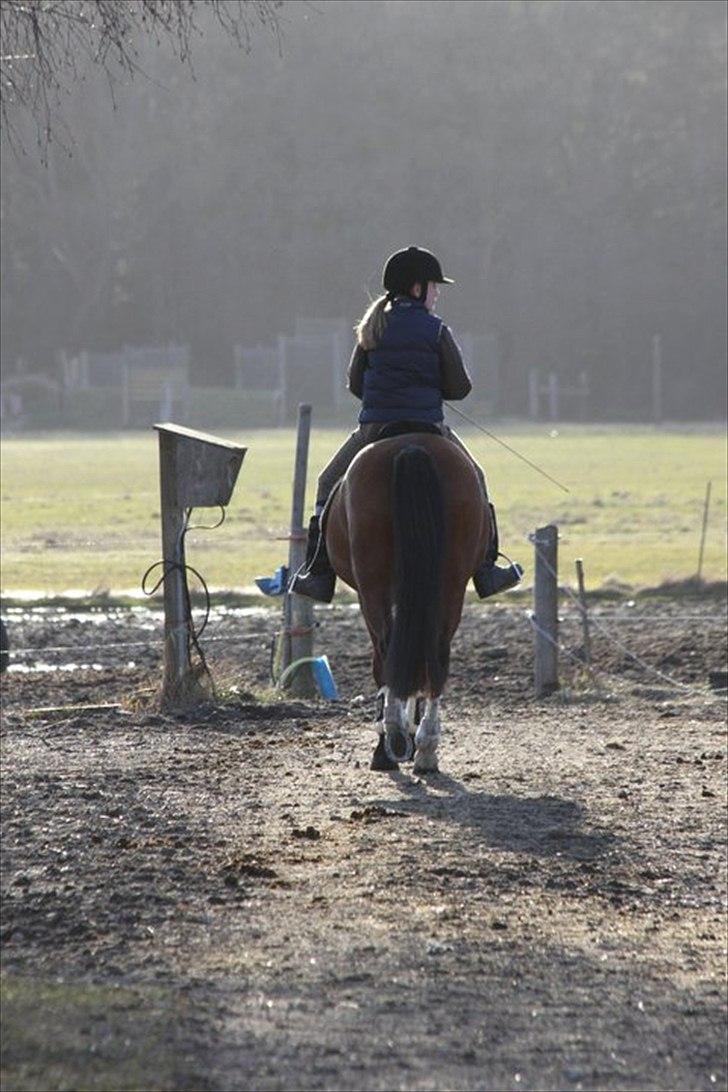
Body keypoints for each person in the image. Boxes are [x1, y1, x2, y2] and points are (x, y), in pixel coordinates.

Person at [290, 245, 523, 603]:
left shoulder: (371, 328)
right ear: (416, 288)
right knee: (476, 477)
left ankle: (319, 573)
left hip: (374, 430)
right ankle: (488, 570)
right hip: (429, 426)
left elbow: (355, 384)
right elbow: (460, 388)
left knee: (326, 484)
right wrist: (431, 387)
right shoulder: (436, 329)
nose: (437, 292)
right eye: (434, 285)